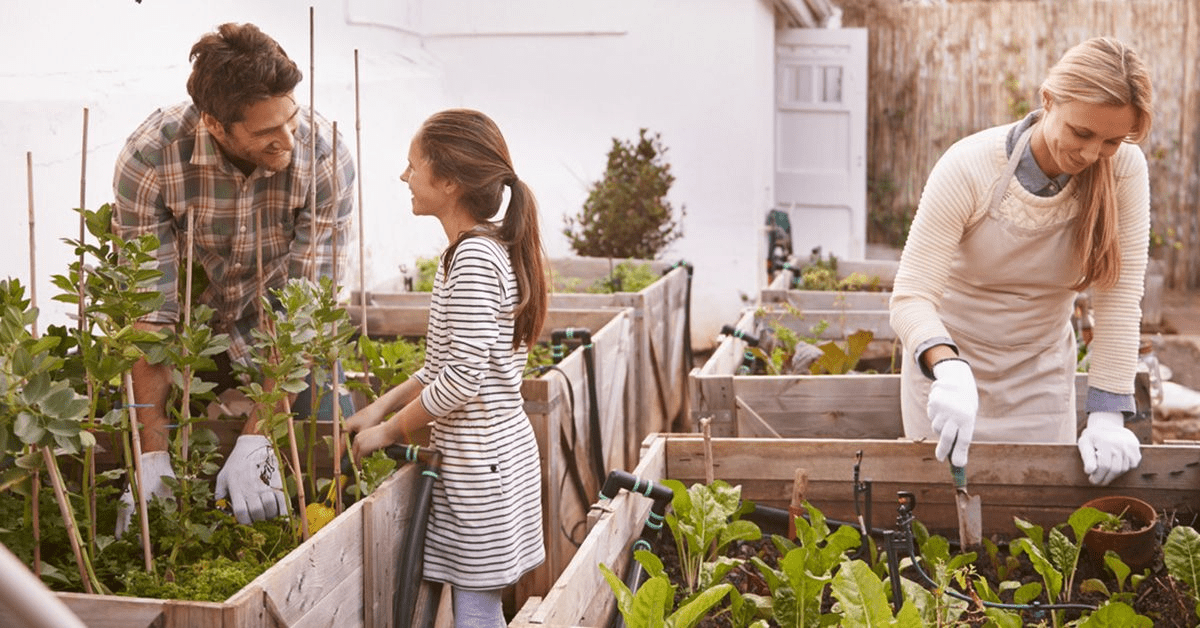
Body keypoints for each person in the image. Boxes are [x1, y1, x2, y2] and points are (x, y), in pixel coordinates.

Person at [111, 22, 355, 532]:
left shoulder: (324, 155)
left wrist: (259, 435)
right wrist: (151, 453)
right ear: (216, 125)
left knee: (333, 456)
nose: (288, 139)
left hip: (281, 340)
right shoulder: (151, 159)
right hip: (189, 344)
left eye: (290, 117)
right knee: (139, 458)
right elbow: (148, 316)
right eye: (266, 132)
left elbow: (305, 312)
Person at [889, 37, 1153, 486]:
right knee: (945, 529)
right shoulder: (970, 166)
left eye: (1112, 140)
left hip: (1041, 379)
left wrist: (1108, 412)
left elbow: (1119, 301)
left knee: (1031, 522)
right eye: (1082, 132)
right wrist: (948, 368)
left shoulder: (1125, 170)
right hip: (951, 373)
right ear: (1048, 100)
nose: (1091, 154)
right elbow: (911, 296)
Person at [346, 109, 547, 628]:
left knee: (475, 609)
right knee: (473, 604)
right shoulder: (470, 251)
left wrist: (389, 431)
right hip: (487, 457)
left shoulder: (476, 259)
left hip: (483, 464)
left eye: (413, 166)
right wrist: (379, 406)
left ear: (450, 181)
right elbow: (441, 365)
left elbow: (462, 380)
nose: (403, 176)